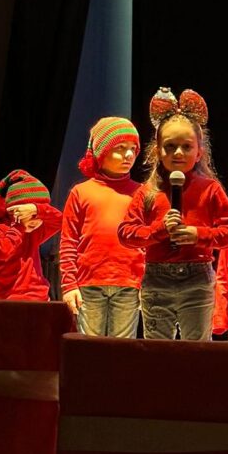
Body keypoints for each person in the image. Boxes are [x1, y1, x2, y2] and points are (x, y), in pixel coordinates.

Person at [118, 87, 228, 340]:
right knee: (158, 353)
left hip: (198, 277)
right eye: (170, 147)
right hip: (156, 279)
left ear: (199, 151)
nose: (178, 153)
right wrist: (158, 230)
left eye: (186, 146)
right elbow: (126, 233)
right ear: (157, 150)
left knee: (196, 352)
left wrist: (199, 235)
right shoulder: (148, 191)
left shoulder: (210, 189)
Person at [59, 116, 145, 336]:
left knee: (123, 353)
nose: (128, 155)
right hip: (89, 284)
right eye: (120, 148)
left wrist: (147, 283)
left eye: (133, 148)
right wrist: (69, 285)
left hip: (130, 283)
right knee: (89, 351)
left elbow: (149, 242)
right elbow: (68, 242)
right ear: (101, 152)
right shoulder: (81, 192)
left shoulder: (142, 193)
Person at [0, 170, 62, 300]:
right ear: (13, 211)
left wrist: (37, 209)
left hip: (37, 298)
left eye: (39, 217)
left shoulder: (34, 232)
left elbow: (60, 220)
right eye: (30, 215)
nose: (37, 220)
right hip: (4, 301)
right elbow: (4, 251)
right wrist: (18, 226)